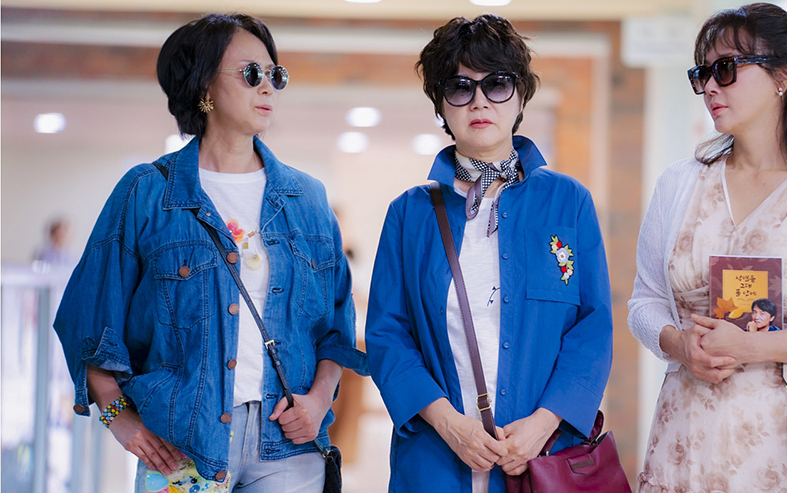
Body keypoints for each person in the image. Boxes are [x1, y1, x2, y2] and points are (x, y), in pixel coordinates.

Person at [52, 13, 367, 493]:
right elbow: (89, 319)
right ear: (204, 85)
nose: (268, 87)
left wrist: (321, 399)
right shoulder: (147, 192)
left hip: (288, 445)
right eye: (251, 73)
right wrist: (119, 419)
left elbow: (335, 327)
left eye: (276, 75)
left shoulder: (308, 198)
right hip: (180, 445)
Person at [627, 3, 787, 491]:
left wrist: (751, 345)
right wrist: (678, 344)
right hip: (683, 442)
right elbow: (644, 303)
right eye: (702, 74)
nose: (710, 86)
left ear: (783, 76)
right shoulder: (679, 183)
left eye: (726, 69)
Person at [365, 14, 613, 492]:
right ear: (441, 105)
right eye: (459, 88)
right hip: (436, 459)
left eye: (497, 84)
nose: (479, 101)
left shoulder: (568, 202)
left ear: (520, 96)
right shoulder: (410, 214)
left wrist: (543, 424)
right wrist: (448, 424)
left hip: (542, 460)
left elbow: (592, 327)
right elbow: (387, 334)